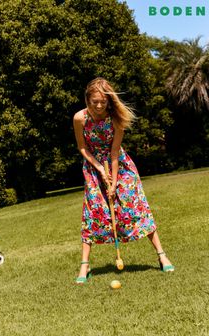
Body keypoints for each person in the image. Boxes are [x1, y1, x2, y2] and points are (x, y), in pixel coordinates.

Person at [73, 77, 174, 284]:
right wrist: (100, 169)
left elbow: (114, 153)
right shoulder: (79, 118)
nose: (99, 106)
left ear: (109, 101)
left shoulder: (115, 118)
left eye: (103, 101)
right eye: (95, 102)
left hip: (120, 166)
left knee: (135, 207)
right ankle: (85, 265)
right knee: (93, 212)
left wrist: (113, 182)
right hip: (93, 168)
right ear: (87, 100)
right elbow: (82, 148)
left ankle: (162, 255)